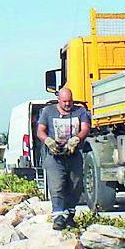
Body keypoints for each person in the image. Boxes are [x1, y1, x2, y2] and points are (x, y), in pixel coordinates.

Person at [37, 87, 91, 231]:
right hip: (55, 156)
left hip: (73, 155)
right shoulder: (48, 112)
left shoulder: (80, 111)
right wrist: (48, 140)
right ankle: (58, 217)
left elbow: (85, 128)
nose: (68, 104)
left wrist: (77, 139)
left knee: (75, 186)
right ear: (59, 100)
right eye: (65, 101)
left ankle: (69, 215)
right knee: (57, 186)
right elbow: (40, 131)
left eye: (70, 101)